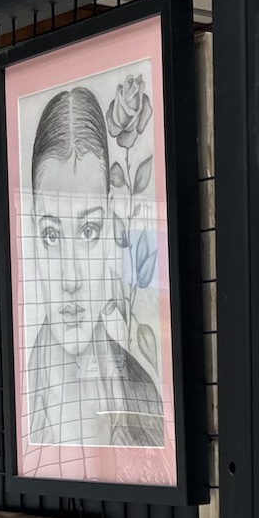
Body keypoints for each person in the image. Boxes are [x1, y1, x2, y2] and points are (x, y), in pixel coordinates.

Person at [22, 87, 164, 449]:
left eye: (89, 231)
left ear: (113, 222)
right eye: (51, 234)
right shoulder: (15, 390)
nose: (71, 279)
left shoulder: (142, 391)